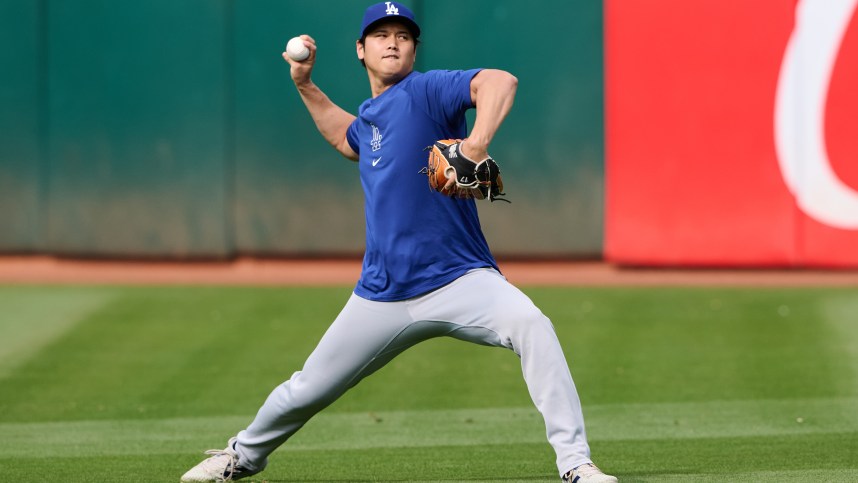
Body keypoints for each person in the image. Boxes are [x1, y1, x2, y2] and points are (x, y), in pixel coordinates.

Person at [180, 2, 617, 482]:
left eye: (403, 35)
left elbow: (500, 80)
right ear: (360, 50)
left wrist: (476, 143)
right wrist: (304, 84)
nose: (393, 41)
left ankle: (576, 464)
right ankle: (241, 456)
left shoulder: (425, 91)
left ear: (414, 48)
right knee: (307, 388)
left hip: (459, 278)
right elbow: (346, 139)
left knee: (532, 324)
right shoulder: (370, 117)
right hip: (382, 294)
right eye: (381, 34)